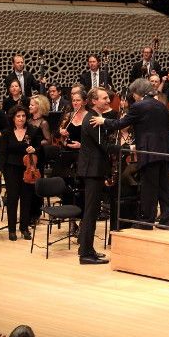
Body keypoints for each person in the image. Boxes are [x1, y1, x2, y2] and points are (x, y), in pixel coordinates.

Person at [91, 78, 169, 229]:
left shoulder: (139, 106)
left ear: (137, 93)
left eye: (133, 94)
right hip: (165, 152)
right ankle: (167, 220)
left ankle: (147, 221)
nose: (133, 97)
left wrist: (103, 121)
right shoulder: (161, 105)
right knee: (164, 186)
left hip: (148, 152)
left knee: (149, 187)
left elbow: (121, 124)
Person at [0, 105, 42, 241]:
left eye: (23, 116)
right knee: (12, 199)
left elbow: (39, 147)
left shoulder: (33, 131)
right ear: (13, 118)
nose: (21, 118)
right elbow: (2, 154)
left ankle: (24, 228)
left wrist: (34, 149)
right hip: (11, 169)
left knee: (27, 199)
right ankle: (12, 229)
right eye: (18, 116)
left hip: (28, 168)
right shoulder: (7, 133)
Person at [76, 87, 114, 265]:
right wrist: (126, 148)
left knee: (92, 211)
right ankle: (85, 253)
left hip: (94, 170)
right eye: (104, 98)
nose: (108, 100)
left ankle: (88, 248)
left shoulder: (94, 118)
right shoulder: (92, 119)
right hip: (92, 170)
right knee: (91, 212)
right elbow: (104, 146)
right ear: (94, 101)